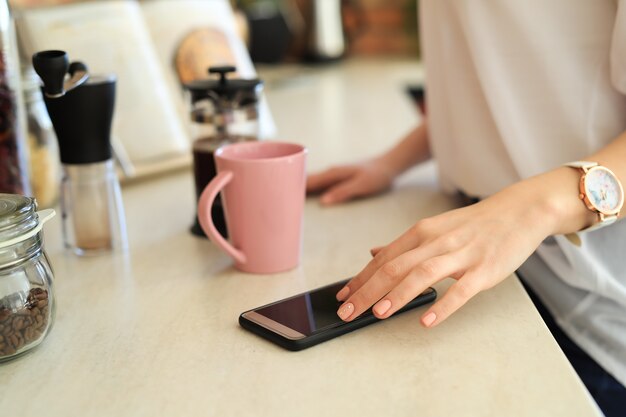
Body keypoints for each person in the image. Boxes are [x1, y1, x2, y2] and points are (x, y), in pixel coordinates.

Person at [306, 2, 626, 416]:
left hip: (590, 306)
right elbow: (497, 78)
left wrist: (527, 211)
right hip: (488, 257)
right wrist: (392, 161)